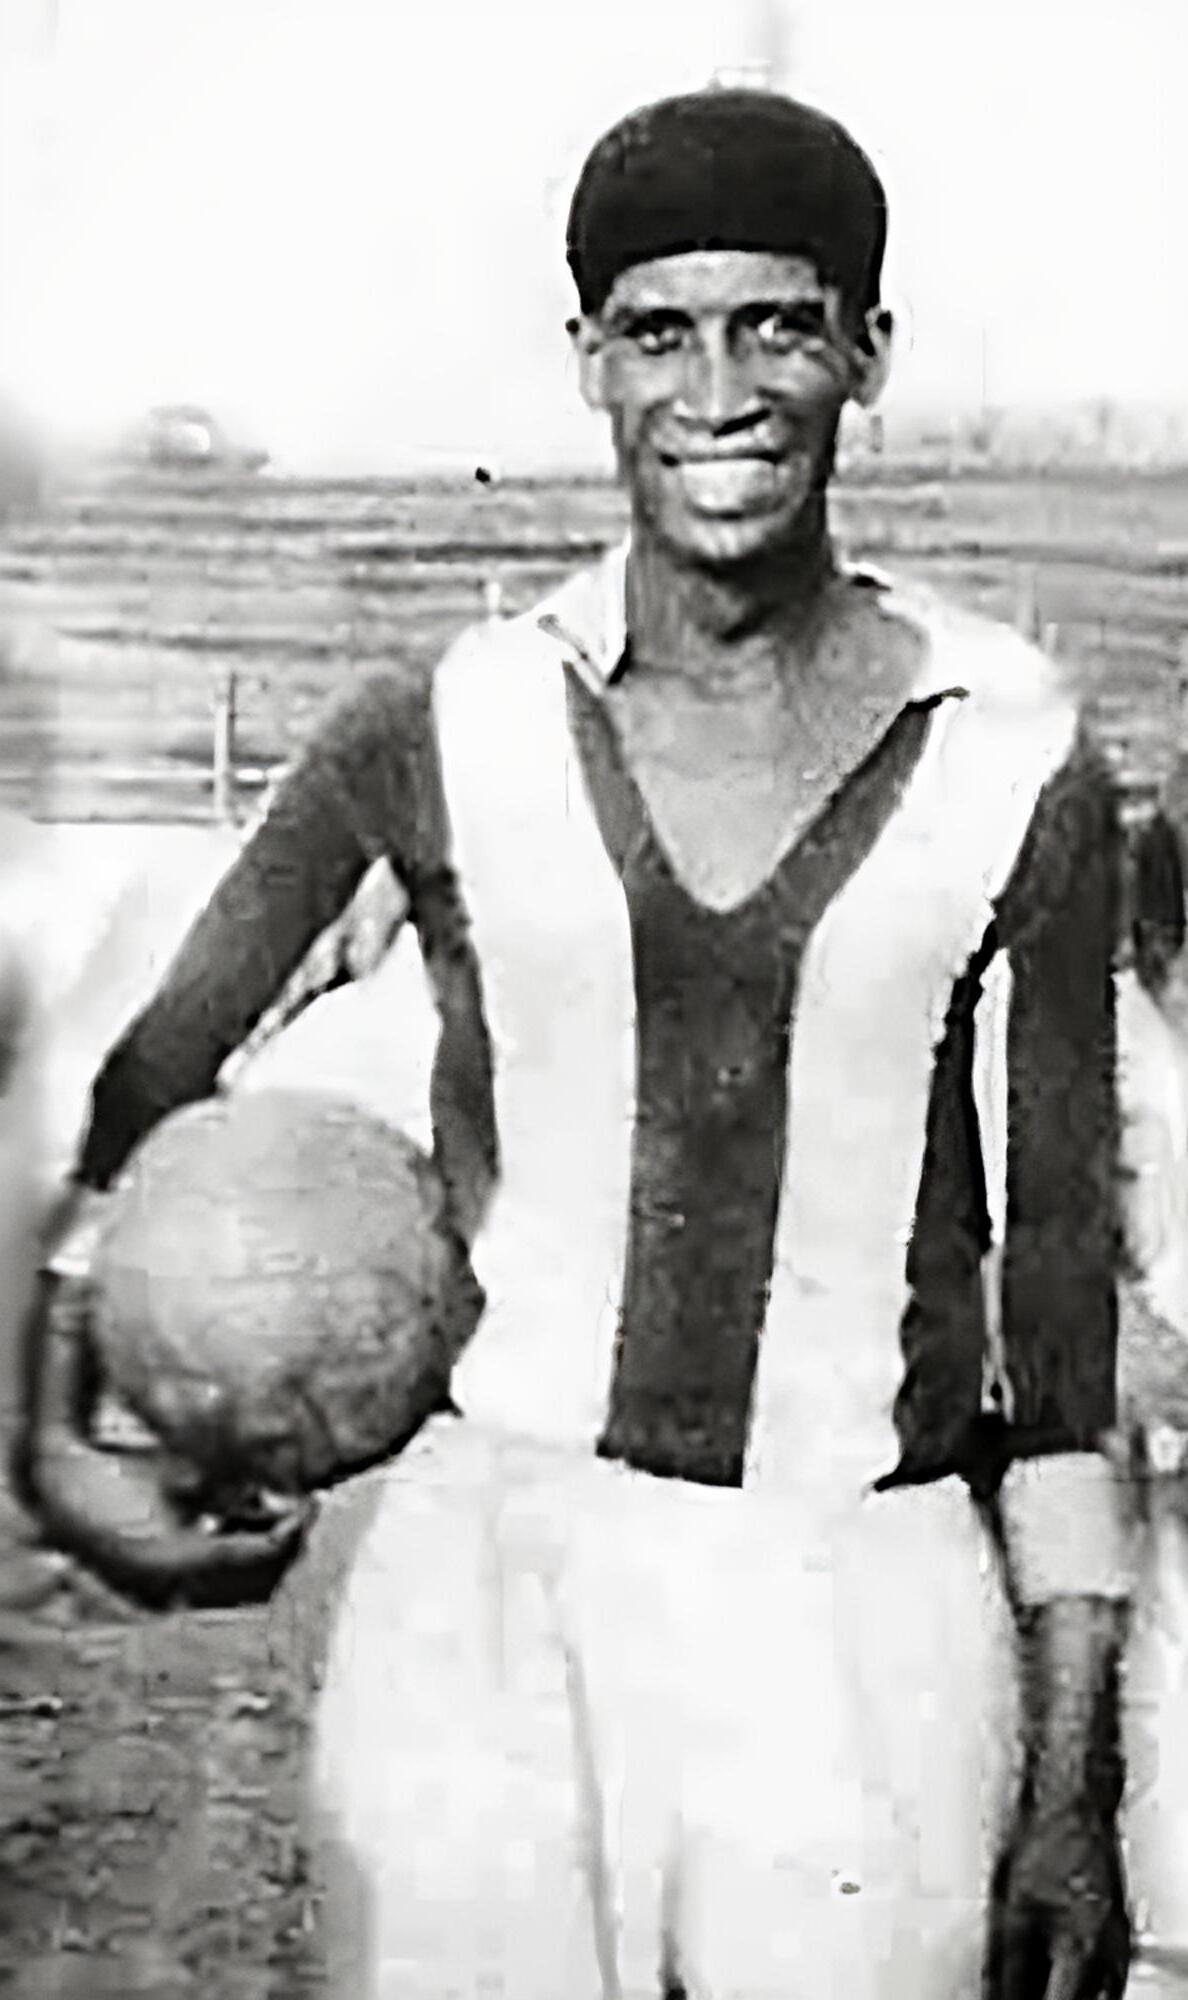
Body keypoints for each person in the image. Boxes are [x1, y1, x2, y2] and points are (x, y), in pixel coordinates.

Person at [15, 85, 1188, 1998]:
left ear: (869, 352)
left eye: (779, 325)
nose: (719, 391)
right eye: (660, 333)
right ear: (587, 361)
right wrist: (59, 1423)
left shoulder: (1018, 752)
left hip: (862, 1608)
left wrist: (1076, 1778)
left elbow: (1056, 1314)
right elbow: (150, 1083)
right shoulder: (442, 721)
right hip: (490, 1598)